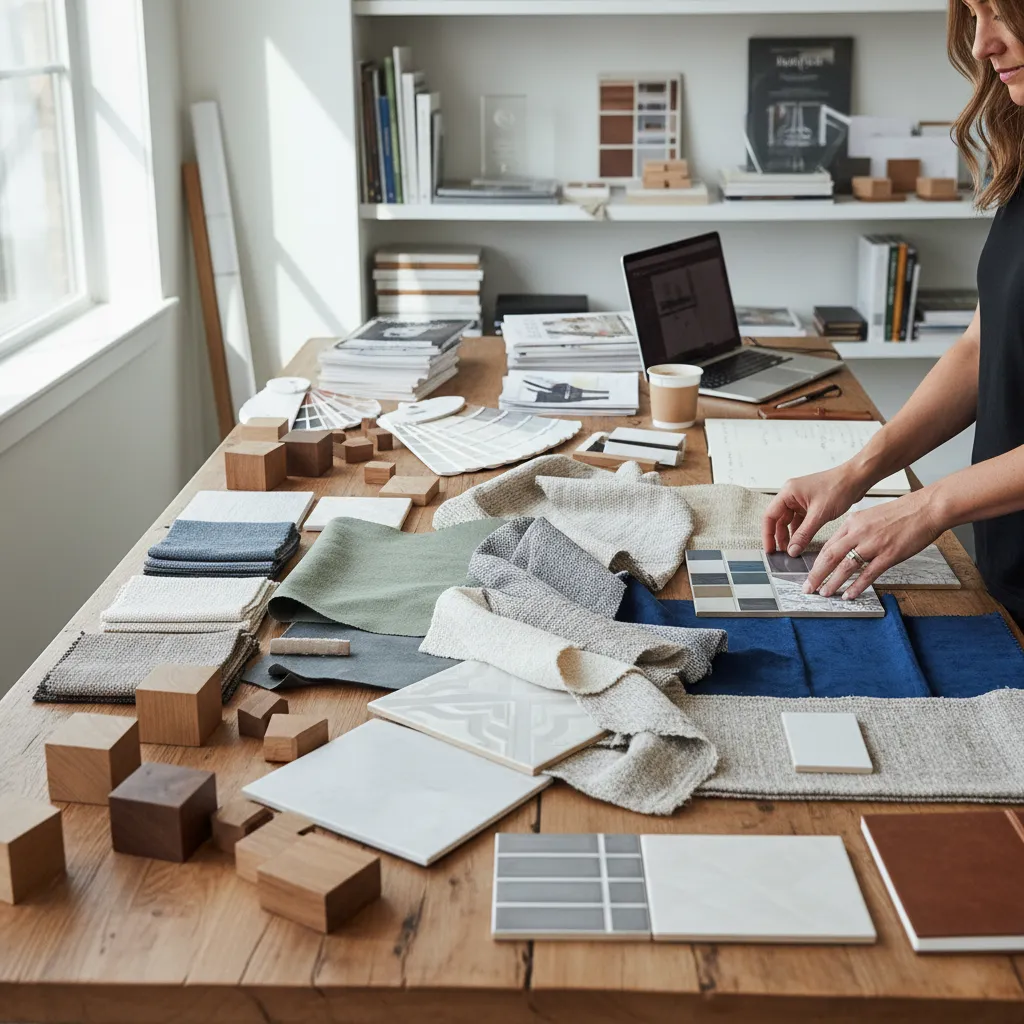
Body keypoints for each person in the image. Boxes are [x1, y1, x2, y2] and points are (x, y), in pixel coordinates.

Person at [762, 0, 1024, 625]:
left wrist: (929, 506)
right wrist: (856, 472)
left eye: (1005, 14)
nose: (984, 44)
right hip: (1005, 571)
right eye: (973, 16)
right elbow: (983, 348)